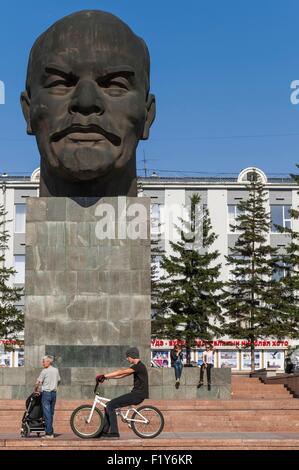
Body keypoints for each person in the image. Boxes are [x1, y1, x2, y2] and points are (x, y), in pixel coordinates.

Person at [96, 347, 149, 439]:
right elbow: (122, 375)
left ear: (132, 356)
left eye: (127, 357)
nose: (127, 359)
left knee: (110, 405)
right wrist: (107, 378)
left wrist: (104, 375)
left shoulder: (138, 366)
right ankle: (104, 431)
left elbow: (121, 372)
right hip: (136, 394)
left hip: (137, 395)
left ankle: (114, 432)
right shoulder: (137, 367)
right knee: (108, 405)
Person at [34, 355, 61, 439]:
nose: (42, 363)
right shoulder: (56, 370)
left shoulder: (44, 371)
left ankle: (49, 434)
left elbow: (37, 382)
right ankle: (50, 431)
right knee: (51, 414)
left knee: (47, 414)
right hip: (54, 394)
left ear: (49, 362)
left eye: (44, 361)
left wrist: (36, 390)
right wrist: (55, 386)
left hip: (46, 394)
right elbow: (59, 380)